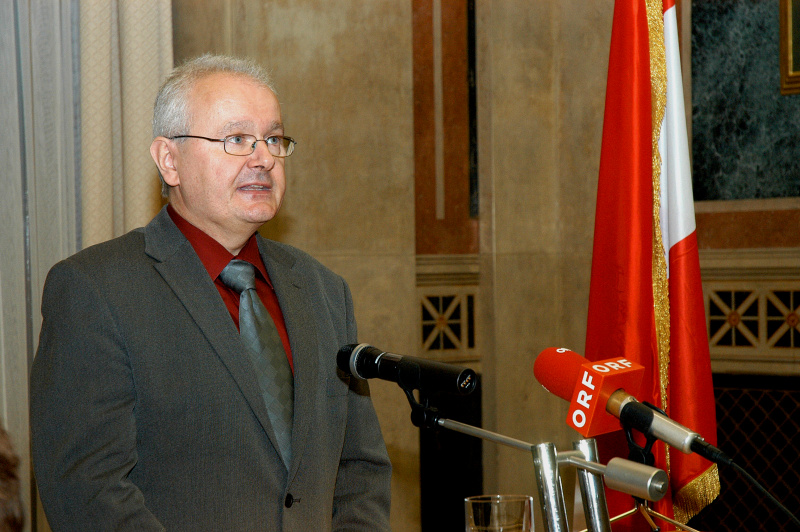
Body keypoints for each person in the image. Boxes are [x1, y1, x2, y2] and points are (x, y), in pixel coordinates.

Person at [30, 54, 391, 531]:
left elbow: (360, 471)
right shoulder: (95, 289)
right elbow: (88, 493)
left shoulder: (323, 291)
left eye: (274, 139)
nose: (263, 158)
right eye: (237, 139)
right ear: (169, 160)